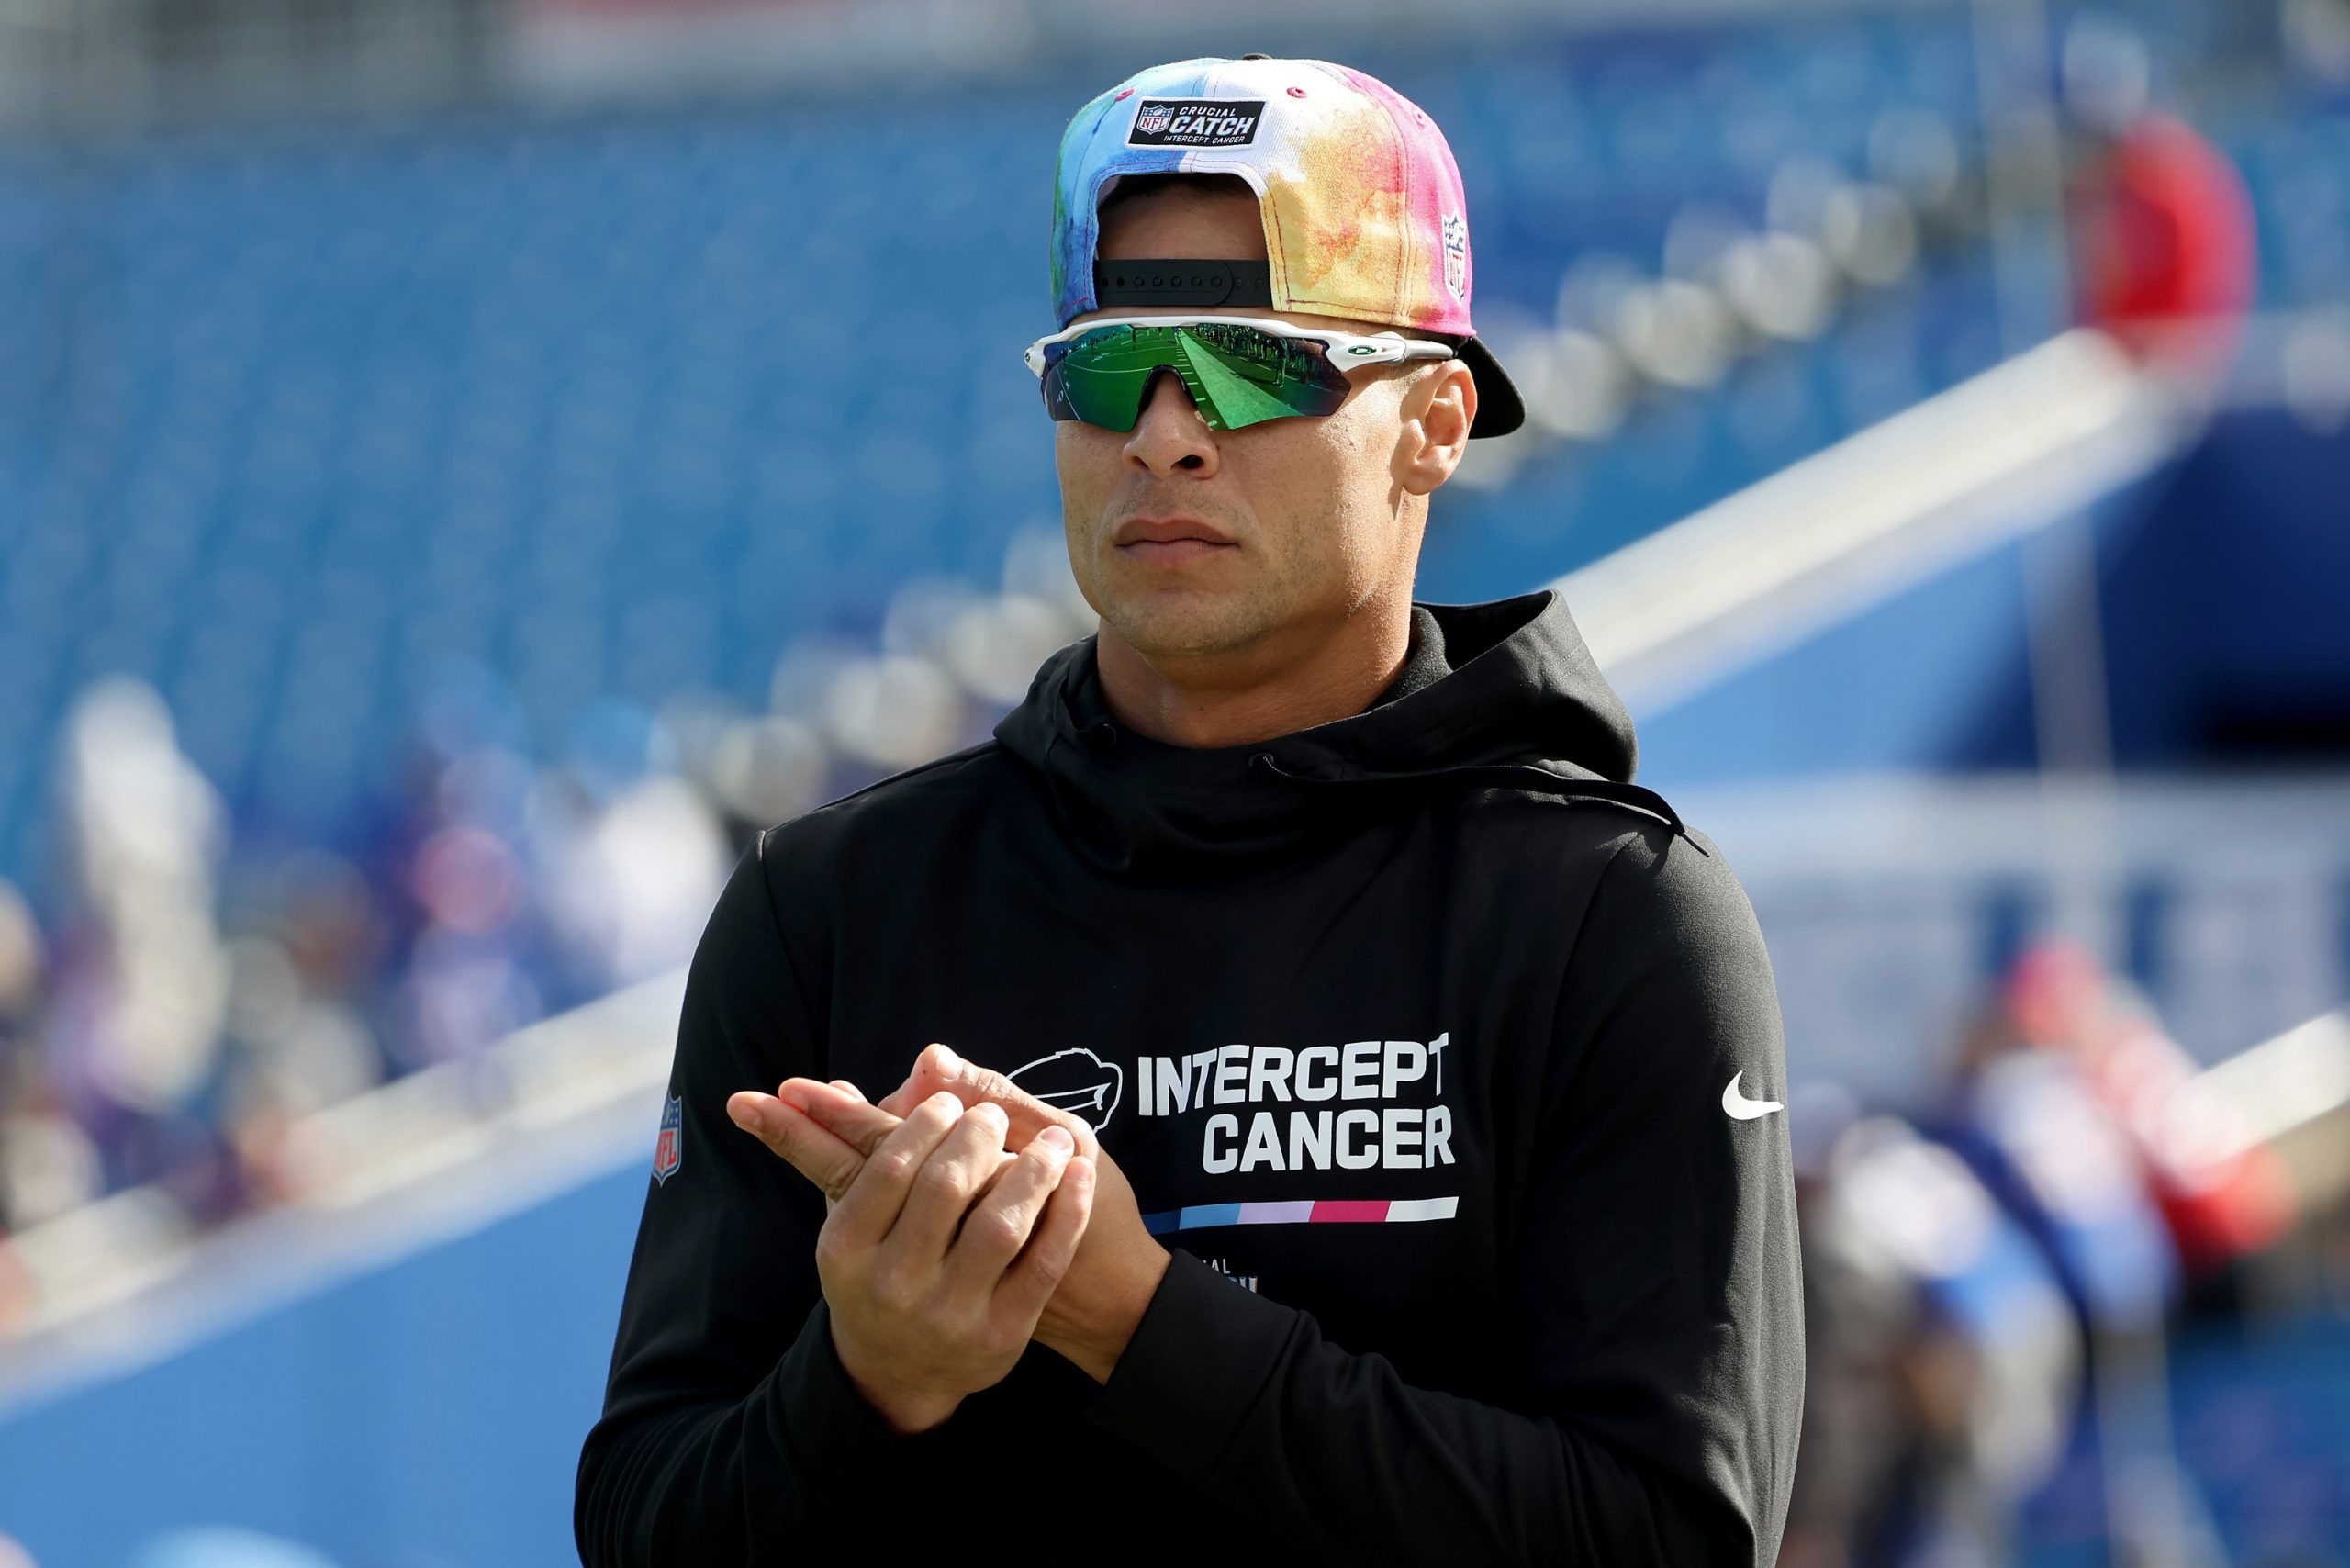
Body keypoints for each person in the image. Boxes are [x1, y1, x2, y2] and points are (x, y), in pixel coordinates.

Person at [575, 53, 1805, 1565]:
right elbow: (647, 1528)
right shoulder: (830, 902)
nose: (1164, 432)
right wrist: (871, 1386)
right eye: (1106, 370)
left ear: (1434, 418)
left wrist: (1134, 1320)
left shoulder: (1615, 915)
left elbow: (1668, 1542)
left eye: (1253, 364)